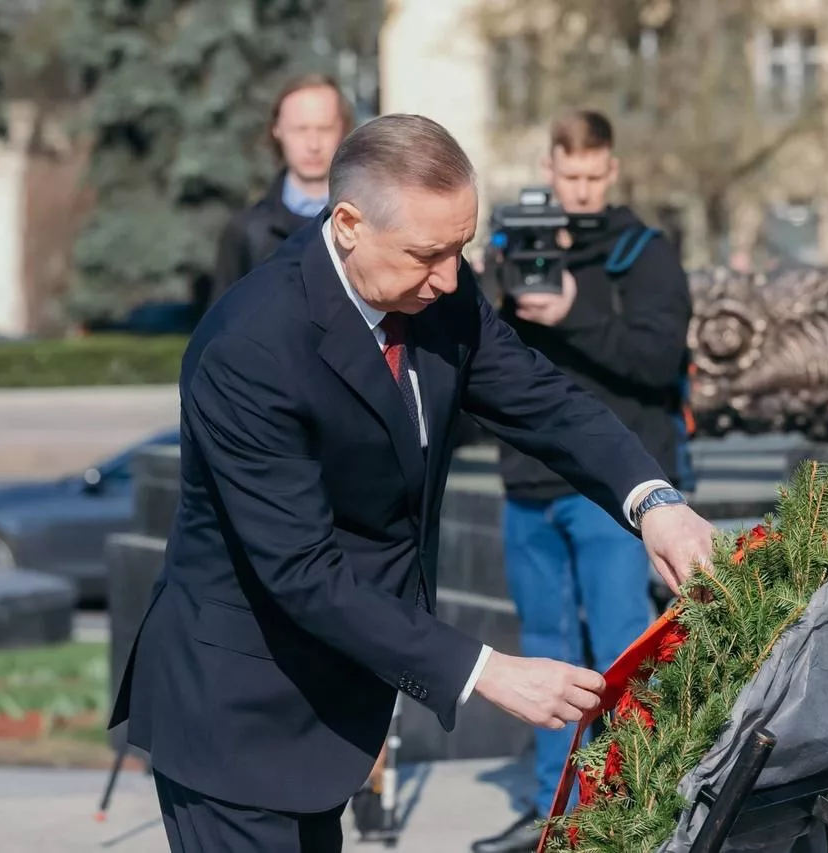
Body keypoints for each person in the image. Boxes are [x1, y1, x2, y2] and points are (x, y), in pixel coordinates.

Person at [108, 113, 716, 853]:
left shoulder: (437, 290)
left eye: (461, 247)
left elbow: (540, 401)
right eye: (429, 254)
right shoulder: (252, 348)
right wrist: (486, 671)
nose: (450, 277)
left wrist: (654, 504)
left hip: (333, 702)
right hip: (237, 711)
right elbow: (301, 571)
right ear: (349, 224)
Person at [471, 109, 693, 853]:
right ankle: (552, 812)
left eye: (594, 176)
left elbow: (657, 360)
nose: (582, 189)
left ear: (613, 169)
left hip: (609, 488)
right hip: (526, 481)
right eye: (570, 175)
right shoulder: (521, 242)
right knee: (543, 648)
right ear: (549, 168)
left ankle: (634, 806)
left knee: (622, 649)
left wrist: (574, 309)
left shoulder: (644, 253)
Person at [208, 73, 353, 306]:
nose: (313, 144)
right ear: (277, 130)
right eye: (300, 129)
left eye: (324, 129)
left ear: (344, 130)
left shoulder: (367, 223)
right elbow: (220, 330)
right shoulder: (246, 232)